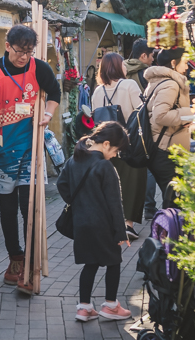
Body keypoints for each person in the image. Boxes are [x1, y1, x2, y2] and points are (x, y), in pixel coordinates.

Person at [0, 25, 61, 293]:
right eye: (20, 51)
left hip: (30, 150)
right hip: (1, 152)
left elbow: (54, 93)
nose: (24, 57)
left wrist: (47, 115)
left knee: (30, 206)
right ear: (7, 44)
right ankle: (16, 259)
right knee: (8, 210)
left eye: (29, 51)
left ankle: (31, 265)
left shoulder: (39, 68)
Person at [57, 121, 133, 323]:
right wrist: (120, 233)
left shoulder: (74, 160)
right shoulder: (105, 166)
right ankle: (110, 305)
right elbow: (115, 204)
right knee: (114, 263)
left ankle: (84, 308)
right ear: (106, 144)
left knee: (90, 265)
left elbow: (61, 184)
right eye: (116, 150)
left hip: (81, 223)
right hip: (104, 226)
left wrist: (78, 202)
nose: (115, 155)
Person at [91, 52, 145, 241]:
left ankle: (110, 224)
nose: (125, 67)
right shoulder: (129, 85)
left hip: (105, 147)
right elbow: (141, 111)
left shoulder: (97, 91)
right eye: (123, 64)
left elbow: (94, 118)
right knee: (132, 183)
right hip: (128, 143)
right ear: (117, 65)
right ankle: (127, 225)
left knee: (110, 185)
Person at [144, 48, 195, 209]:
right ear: (174, 63)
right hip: (165, 149)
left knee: (173, 201)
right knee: (176, 203)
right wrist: (188, 114)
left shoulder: (160, 81)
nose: (187, 66)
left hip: (162, 146)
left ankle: (168, 231)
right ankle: (168, 232)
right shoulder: (170, 84)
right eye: (185, 62)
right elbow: (160, 116)